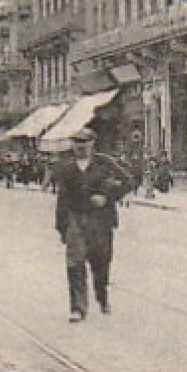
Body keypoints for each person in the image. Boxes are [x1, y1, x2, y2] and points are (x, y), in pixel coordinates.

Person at [52, 129, 129, 322]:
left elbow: (128, 181)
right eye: (77, 143)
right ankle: (78, 307)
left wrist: (107, 196)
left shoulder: (105, 163)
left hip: (101, 221)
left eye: (84, 143)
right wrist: (62, 226)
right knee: (74, 263)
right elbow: (62, 198)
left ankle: (102, 296)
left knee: (101, 263)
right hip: (76, 219)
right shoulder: (66, 167)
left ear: (93, 143)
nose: (80, 147)